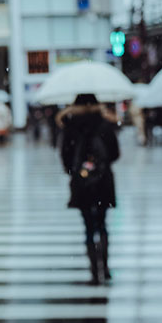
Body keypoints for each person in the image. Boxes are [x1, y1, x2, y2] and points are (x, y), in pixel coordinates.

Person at [58, 94, 120, 285]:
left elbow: (65, 158)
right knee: (102, 225)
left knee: (88, 227)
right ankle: (106, 267)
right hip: (103, 182)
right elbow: (115, 154)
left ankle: (94, 271)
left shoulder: (70, 126)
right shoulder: (105, 124)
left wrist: (80, 171)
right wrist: (99, 166)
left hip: (81, 183)